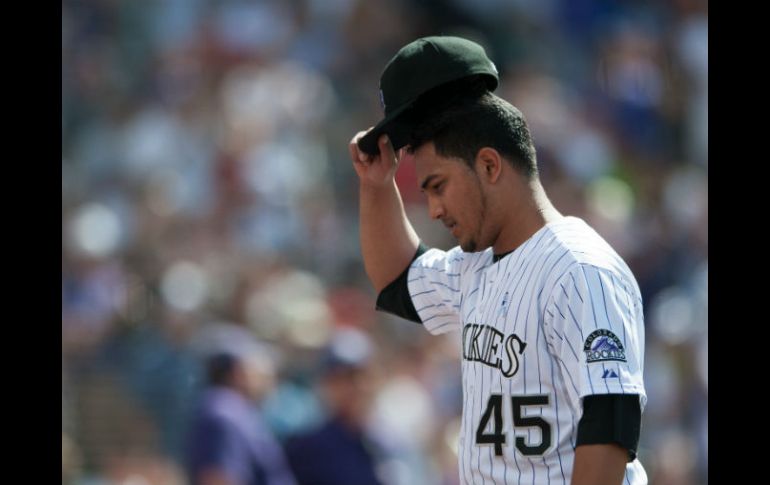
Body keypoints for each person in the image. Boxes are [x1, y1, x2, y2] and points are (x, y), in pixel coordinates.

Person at [349, 36, 647, 485]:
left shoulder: (579, 269)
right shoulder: (477, 266)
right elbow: (397, 280)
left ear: (489, 166)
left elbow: (610, 427)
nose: (433, 210)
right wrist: (376, 186)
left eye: (438, 186)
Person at [284, 329, 383, 485]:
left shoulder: (390, 443)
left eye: (359, 376)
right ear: (326, 384)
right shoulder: (308, 449)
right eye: (339, 378)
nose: (353, 387)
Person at [186, 350, 297, 485]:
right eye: (262, 375)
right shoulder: (224, 413)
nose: (270, 382)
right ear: (239, 373)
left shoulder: (234, 409)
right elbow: (217, 477)